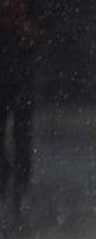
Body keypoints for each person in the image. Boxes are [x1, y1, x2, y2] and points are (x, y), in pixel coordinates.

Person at [0, 0, 39, 193]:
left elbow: (37, 33)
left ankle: (20, 176)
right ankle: (15, 174)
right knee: (20, 131)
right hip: (15, 73)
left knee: (22, 131)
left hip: (20, 75)